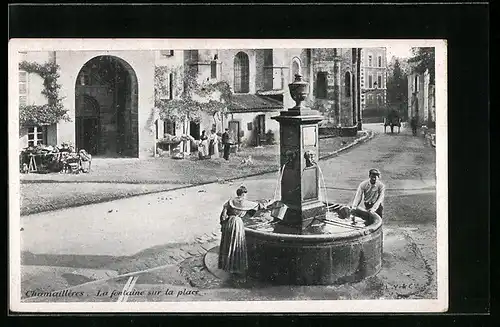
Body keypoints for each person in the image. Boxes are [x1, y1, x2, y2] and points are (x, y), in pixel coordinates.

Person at [218, 186, 270, 282]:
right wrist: (268, 202)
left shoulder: (230, 201)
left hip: (229, 223)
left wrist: (223, 225)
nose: (245, 196)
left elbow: (223, 215)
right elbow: (258, 206)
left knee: (229, 244)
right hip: (237, 224)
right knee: (237, 245)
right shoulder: (244, 202)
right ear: (243, 194)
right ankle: (236, 268)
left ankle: (228, 265)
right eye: (245, 194)